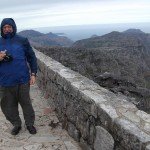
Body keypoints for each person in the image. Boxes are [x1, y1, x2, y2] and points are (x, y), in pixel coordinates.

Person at [0, 18, 37, 135]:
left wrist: (33, 74)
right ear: (1, 29)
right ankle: (16, 124)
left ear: (13, 27)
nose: (7, 29)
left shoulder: (22, 40)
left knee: (26, 104)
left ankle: (30, 124)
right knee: (8, 107)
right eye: (4, 27)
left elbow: (32, 58)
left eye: (9, 27)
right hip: (5, 82)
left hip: (22, 80)